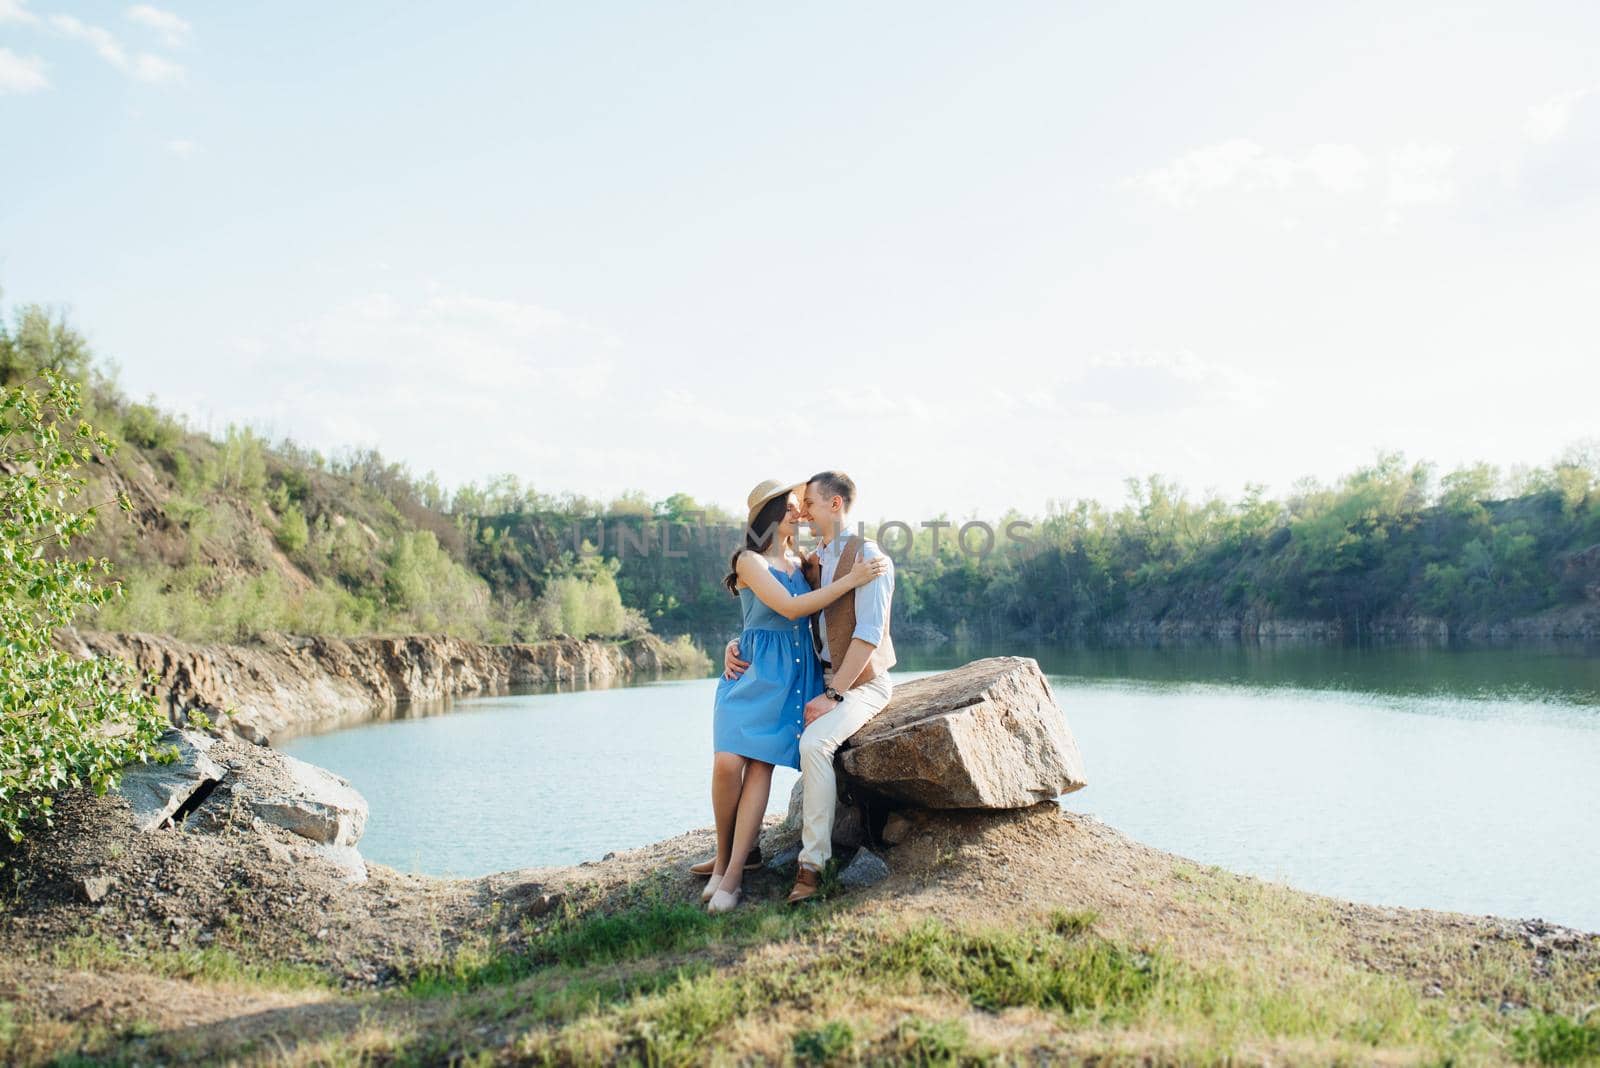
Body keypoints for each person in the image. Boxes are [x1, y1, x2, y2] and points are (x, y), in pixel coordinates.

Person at [699, 477, 887, 914]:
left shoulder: (804, 562)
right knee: (728, 762)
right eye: (788, 506)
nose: (798, 513)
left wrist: (853, 574)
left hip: (790, 674)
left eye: (800, 506)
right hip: (750, 673)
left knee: (760, 766)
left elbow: (821, 617)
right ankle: (726, 856)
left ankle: (730, 877)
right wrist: (735, 642)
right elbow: (787, 609)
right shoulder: (749, 561)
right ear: (767, 515)